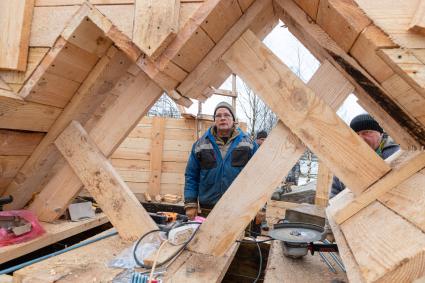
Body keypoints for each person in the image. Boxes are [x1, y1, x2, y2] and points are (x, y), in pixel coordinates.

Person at [184, 102, 258, 219]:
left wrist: (260, 206)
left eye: (227, 115)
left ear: (234, 119)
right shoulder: (201, 144)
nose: (222, 118)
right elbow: (191, 175)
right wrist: (190, 204)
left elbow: (258, 176)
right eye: (218, 116)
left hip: (239, 207)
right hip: (208, 207)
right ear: (214, 120)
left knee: (238, 237)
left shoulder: (249, 144)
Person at [330, 113, 400, 198]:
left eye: (366, 132)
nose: (361, 139)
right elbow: (334, 195)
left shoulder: (397, 153)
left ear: (380, 133)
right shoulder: (345, 162)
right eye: (356, 134)